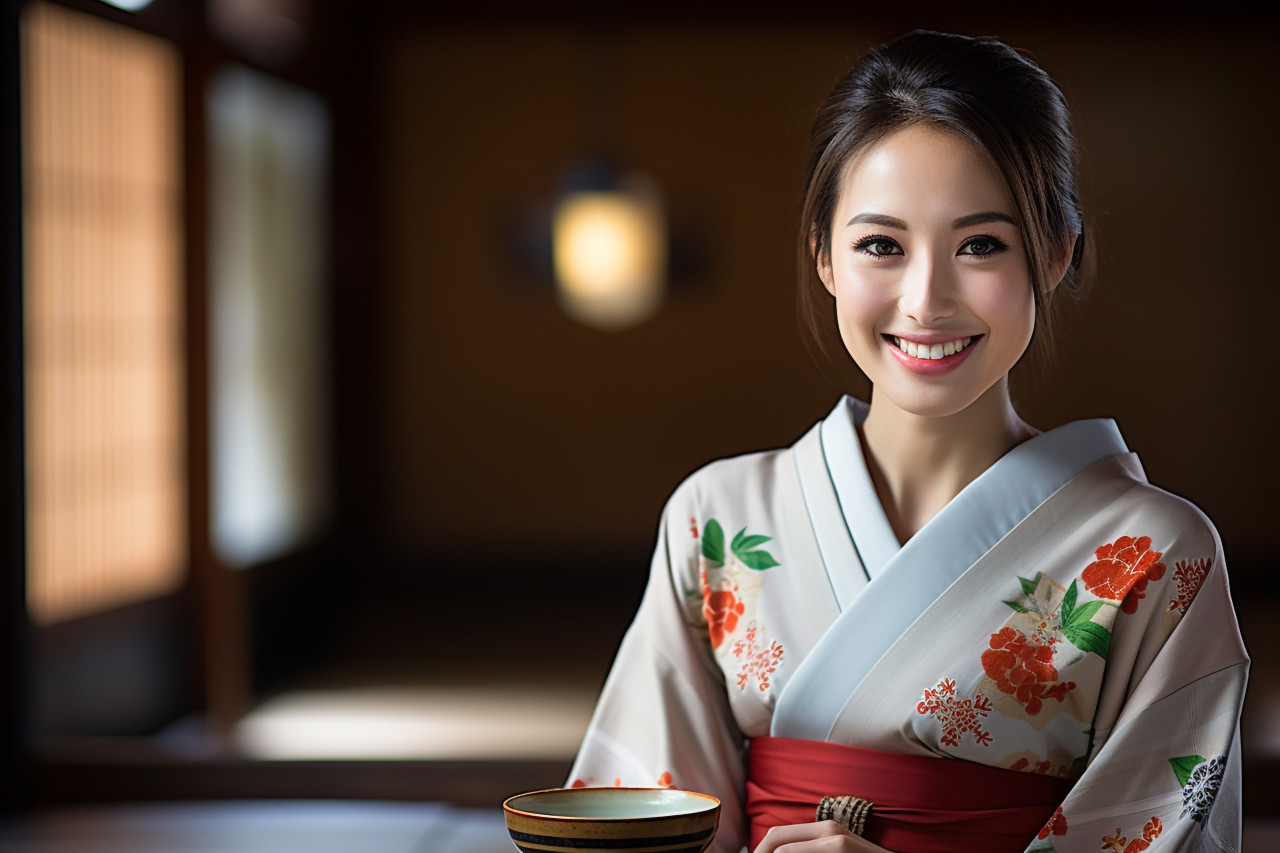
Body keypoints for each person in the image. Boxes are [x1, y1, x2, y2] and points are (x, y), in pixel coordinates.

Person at [566, 30, 1249, 853]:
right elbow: (641, 807)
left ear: (1056, 252)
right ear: (823, 255)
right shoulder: (716, 516)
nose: (926, 300)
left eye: (981, 245)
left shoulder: (1154, 552)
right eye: (881, 245)